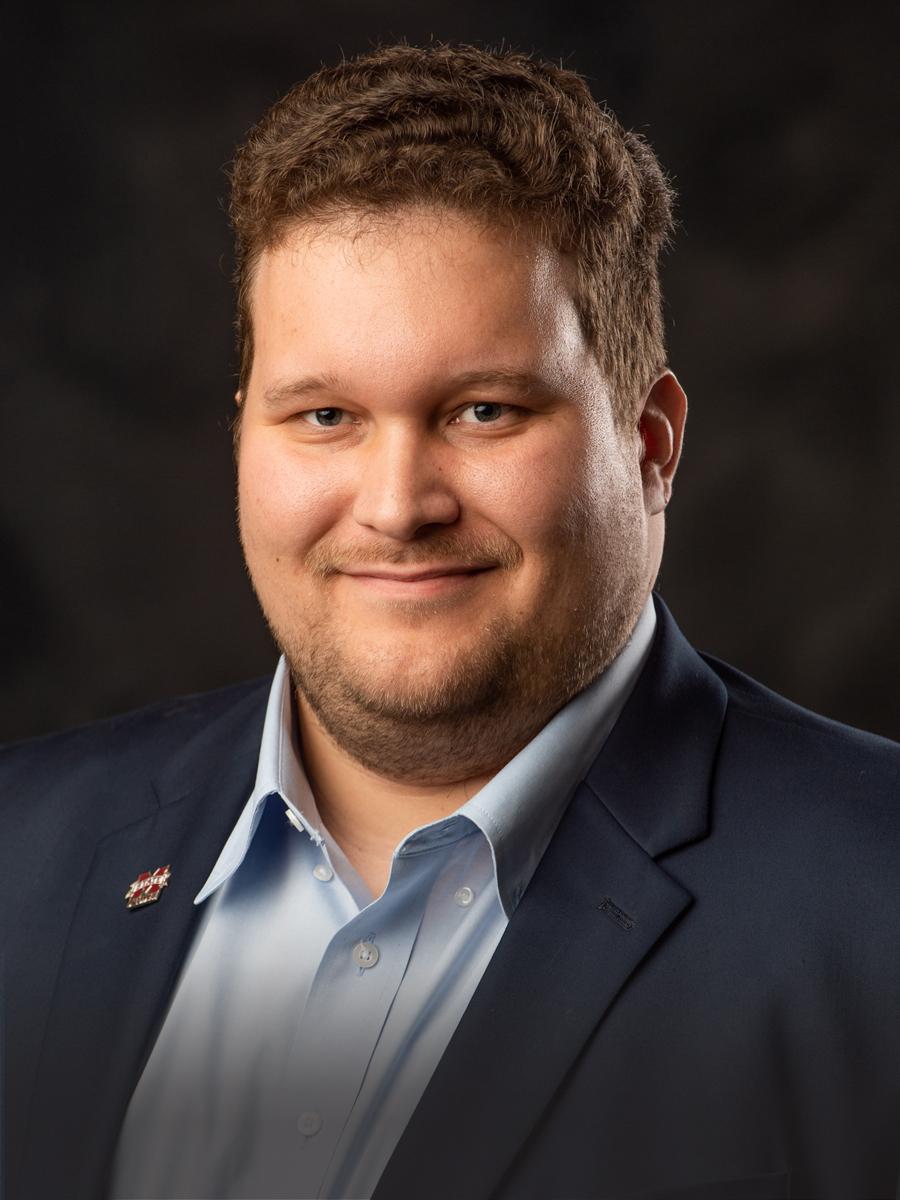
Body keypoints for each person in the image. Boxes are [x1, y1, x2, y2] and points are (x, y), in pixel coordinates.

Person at [1, 42, 898, 1200]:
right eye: (324, 415)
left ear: (652, 443)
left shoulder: (875, 915)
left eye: (483, 410)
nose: (396, 508)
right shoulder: (23, 858)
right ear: (243, 440)